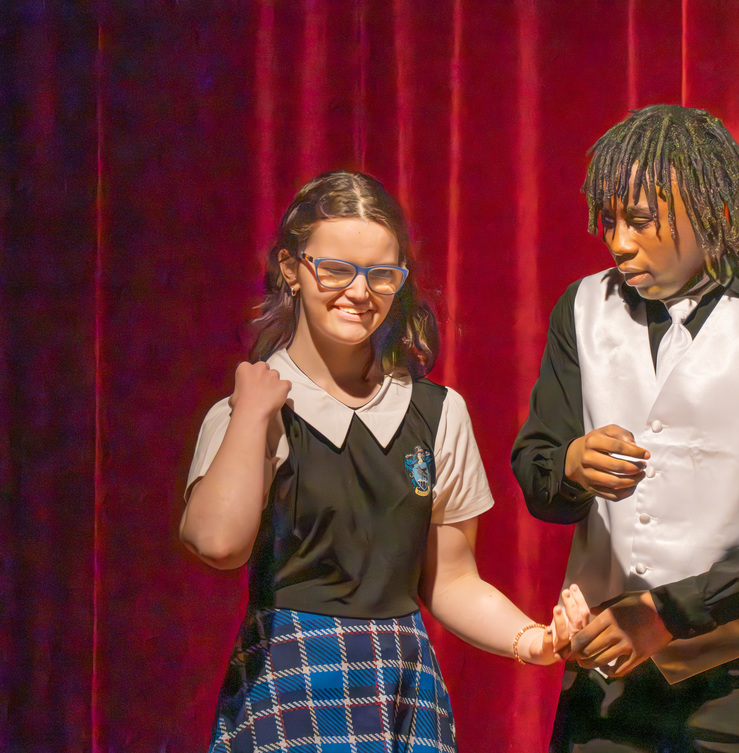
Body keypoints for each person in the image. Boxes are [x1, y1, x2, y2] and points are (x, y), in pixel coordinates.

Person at [180, 170, 588, 752]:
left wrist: (534, 640)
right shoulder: (253, 409)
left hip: (402, 677)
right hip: (291, 677)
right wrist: (252, 412)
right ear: (291, 268)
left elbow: (450, 579)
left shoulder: (436, 410)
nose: (358, 291)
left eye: (381, 274)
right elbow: (217, 542)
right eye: (337, 269)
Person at [512, 105, 739, 752]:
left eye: (641, 221)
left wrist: (669, 612)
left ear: (713, 212)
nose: (619, 242)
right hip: (608, 689)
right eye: (611, 220)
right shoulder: (582, 308)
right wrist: (568, 464)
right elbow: (539, 468)